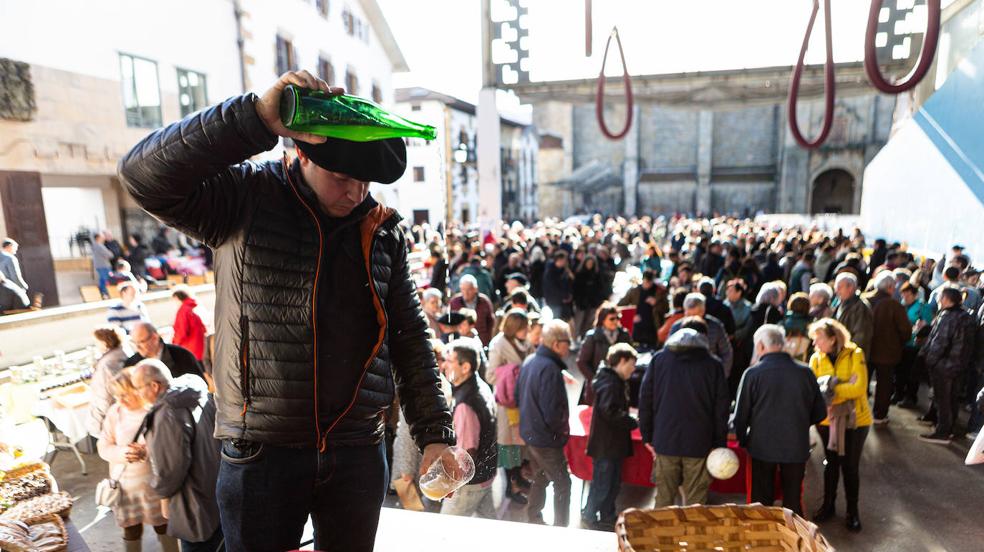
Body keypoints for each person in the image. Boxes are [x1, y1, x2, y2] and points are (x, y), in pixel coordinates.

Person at [119, 70, 454, 552]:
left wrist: (435, 432)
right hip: (261, 454)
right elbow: (142, 175)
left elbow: (409, 338)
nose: (356, 192)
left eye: (365, 181)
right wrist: (255, 118)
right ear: (301, 153)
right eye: (342, 178)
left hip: (358, 447)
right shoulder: (244, 198)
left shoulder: (383, 231)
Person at [128, 360, 222, 551]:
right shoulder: (194, 393)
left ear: (154, 386)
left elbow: (170, 469)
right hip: (217, 492)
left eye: (138, 388)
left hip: (194, 506)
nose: (136, 393)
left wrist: (163, 495)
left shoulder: (167, 413)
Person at [732, 325, 826, 516]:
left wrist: (743, 440)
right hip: (795, 446)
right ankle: (792, 540)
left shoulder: (752, 374)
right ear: (782, 345)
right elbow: (820, 412)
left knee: (761, 501)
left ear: (760, 346)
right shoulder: (805, 372)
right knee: (792, 500)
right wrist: (798, 425)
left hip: (761, 447)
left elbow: (740, 416)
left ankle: (763, 538)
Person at [640, 318, 729, 508]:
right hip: (699, 442)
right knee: (696, 502)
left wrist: (647, 436)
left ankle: (662, 537)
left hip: (665, 440)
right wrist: (718, 443)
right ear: (704, 337)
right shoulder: (713, 365)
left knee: (664, 499)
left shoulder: (659, 360)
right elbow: (721, 408)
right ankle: (694, 538)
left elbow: (645, 399)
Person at [97, 370, 174, 552]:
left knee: (164, 527)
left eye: (124, 394)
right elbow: (103, 446)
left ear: (137, 390)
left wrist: (146, 452)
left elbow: (168, 447)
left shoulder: (154, 411)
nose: (120, 400)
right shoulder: (115, 412)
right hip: (126, 489)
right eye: (116, 395)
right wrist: (122, 453)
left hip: (153, 488)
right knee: (131, 531)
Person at [809, 318, 870, 532]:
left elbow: (860, 388)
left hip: (855, 421)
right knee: (831, 463)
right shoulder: (816, 359)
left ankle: (853, 512)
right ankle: (828, 505)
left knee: (850, 466)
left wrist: (829, 391)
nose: (815, 345)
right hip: (827, 422)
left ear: (833, 339)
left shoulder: (856, 354)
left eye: (818, 340)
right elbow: (813, 391)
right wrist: (843, 388)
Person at [516, 320, 573, 526]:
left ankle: (534, 517)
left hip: (532, 433)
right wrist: (562, 434)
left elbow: (517, 396)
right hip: (546, 438)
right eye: (568, 341)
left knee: (540, 476)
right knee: (563, 483)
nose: (570, 345)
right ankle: (561, 528)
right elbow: (552, 413)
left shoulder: (531, 360)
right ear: (556, 344)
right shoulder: (549, 368)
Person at [438, 338, 498, 518]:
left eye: (449, 361)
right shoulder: (480, 386)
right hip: (485, 474)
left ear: (465, 367)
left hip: (469, 483)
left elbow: (466, 452)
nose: (443, 366)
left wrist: (450, 483)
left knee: (445, 532)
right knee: (489, 525)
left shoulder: (465, 403)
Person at [582, 343, 638, 531]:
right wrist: (631, 421)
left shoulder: (612, 380)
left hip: (611, 444)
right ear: (621, 361)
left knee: (611, 484)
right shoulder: (611, 382)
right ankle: (589, 516)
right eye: (631, 364)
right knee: (603, 485)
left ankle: (607, 515)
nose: (633, 369)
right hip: (607, 445)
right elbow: (610, 411)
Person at [919, 286, 976, 444]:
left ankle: (942, 432)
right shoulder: (967, 316)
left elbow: (940, 342)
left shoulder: (947, 317)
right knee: (951, 399)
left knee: (943, 399)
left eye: (940, 297)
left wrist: (930, 360)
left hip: (944, 366)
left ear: (946, 299)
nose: (938, 301)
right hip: (959, 365)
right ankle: (948, 429)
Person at [486, 309, 531, 504]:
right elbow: (490, 375)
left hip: (523, 401)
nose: (527, 331)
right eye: (524, 328)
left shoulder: (525, 343)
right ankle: (511, 486)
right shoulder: (498, 344)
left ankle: (519, 478)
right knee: (508, 446)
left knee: (519, 445)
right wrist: (513, 372)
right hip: (506, 403)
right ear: (514, 328)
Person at [865, 271, 912, 424]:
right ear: (891, 287)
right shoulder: (894, 305)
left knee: (861, 380)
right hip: (887, 352)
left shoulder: (864, 300)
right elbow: (905, 331)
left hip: (864, 349)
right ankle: (879, 415)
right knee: (884, 384)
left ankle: (858, 411)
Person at [576, 303, 632, 406]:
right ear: (603, 320)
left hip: (619, 386)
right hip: (597, 388)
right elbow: (581, 362)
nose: (616, 321)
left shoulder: (624, 335)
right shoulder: (592, 337)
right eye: (612, 319)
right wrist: (595, 379)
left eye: (617, 318)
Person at [669, 293, 733, 378]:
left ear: (703, 311)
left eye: (695, 315)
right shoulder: (676, 327)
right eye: (688, 315)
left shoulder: (716, 326)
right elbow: (668, 354)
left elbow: (726, 353)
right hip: (682, 377)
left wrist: (720, 376)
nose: (692, 319)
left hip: (708, 376)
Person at [86, 326, 130, 438]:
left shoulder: (108, 364)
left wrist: (101, 420)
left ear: (105, 342)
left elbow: (104, 396)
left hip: (110, 418)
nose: (96, 345)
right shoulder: (121, 354)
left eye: (97, 342)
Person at [895, 281, 933, 408]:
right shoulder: (901, 305)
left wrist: (919, 327)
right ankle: (898, 394)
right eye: (903, 294)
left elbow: (926, 326)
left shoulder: (923, 307)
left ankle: (910, 397)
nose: (905, 297)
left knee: (911, 373)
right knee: (899, 371)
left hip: (914, 345)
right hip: (901, 343)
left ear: (915, 295)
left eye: (908, 294)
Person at [123, 322, 202, 380]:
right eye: (134, 343)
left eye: (141, 342)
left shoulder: (182, 355)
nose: (137, 347)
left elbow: (200, 384)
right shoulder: (132, 364)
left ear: (155, 338)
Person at [834, 273, 873, 362]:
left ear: (851, 288)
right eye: (836, 287)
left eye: (839, 287)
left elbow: (861, 336)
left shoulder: (861, 307)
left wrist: (847, 353)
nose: (836, 291)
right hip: (841, 355)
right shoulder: (840, 304)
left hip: (852, 357)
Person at [449, 274, 496, 346]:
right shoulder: (454, 302)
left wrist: (488, 340)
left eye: (469, 289)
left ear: (475, 289)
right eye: (463, 289)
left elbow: (491, 323)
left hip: (481, 341)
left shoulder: (484, 301)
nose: (466, 293)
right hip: (460, 342)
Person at [573, 255, 608, 341]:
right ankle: (575, 338)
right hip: (581, 302)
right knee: (579, 321)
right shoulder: (579, 274)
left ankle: (585, 337)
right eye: (588, 263)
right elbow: (576, 289)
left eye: (591, 263)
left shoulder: (596, 275)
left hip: (593, 303)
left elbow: (600, 288)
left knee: (589, 321)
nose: (589, 265)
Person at [171, 286, 206, 361]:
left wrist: (174, 345)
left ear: (177, 298)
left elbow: (181, 332)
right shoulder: (193, 307)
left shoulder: (183, 310)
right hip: (200, 346)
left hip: (190, 349)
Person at [542, 250, 574, 323]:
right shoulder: (550, 271)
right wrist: (563, 297)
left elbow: (568, 283)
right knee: (556, 321)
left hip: (564, 302)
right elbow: (552, 288)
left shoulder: (564, 270)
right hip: (554, 302)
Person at [93, 231, 116, 299]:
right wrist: (110, 253)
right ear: (98, 238)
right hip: (103, 265)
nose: (104, 238)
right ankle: (105, 293)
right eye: (102, 236)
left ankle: (103, 293)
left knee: (102, 280)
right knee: (106, 279)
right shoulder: (99, 246)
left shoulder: (96, 245)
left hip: (101, 265)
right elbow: (110, 255)